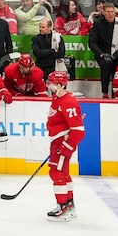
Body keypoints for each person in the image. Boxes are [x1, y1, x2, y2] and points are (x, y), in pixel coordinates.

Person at [44, 68, 84, 222]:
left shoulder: (68, 102)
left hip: (62, 142)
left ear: (60, 85)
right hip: (58, 141)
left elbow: (79, 130)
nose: (49, 86)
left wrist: (67, 146)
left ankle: (62, 206)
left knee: (56, 172)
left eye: (52, 84)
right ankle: (69, 205)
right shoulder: (57, 98)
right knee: (63, 172)